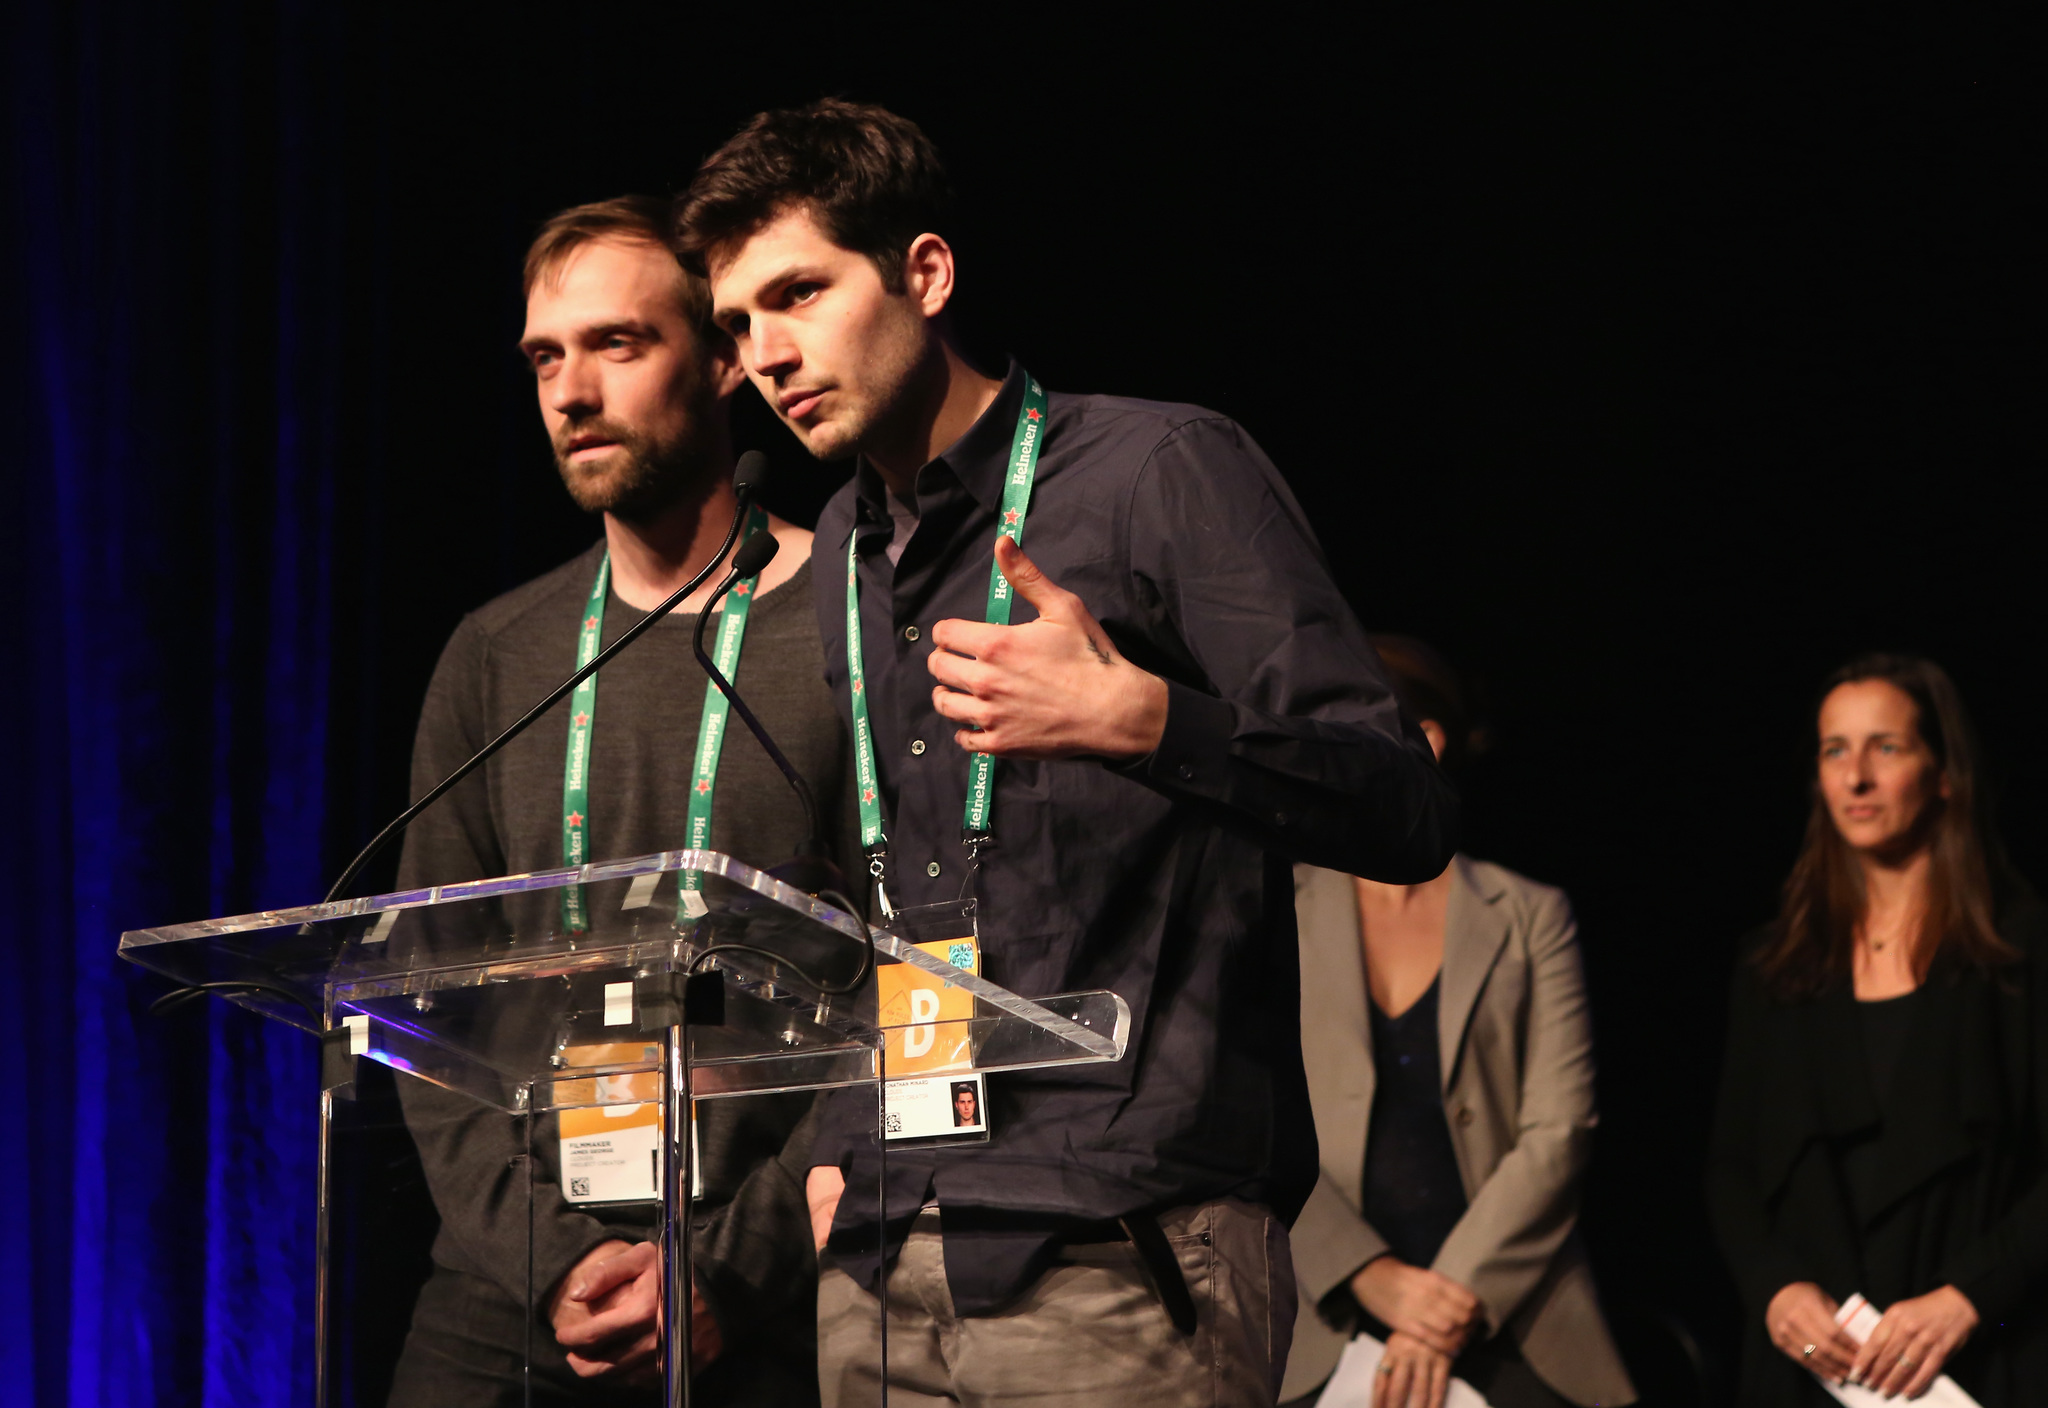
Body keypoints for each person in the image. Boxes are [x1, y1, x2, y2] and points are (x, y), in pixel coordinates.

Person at [675, 100, 1460, 1408]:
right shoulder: (836, 558)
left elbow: (1404, 807)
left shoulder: (1163, 471)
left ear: (924, 274)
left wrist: (1151, 722)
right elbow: (896, 888)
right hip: (886, 1249)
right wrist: (836, 1134)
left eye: (800, 294)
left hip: (1119, 1238)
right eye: (740, 324)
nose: (768, 352)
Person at [387, 196, 850, 1407]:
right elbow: (420, 1000)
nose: (569, 391)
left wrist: (728, 1272)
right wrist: (557, 1256)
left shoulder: (857, 628)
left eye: (617, 345)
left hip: (768, 1303)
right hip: (512, 1295)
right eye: (546, 355)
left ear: (725, 360)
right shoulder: (498, 651)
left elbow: (907, 1001)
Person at [1282, 638, 1634, 1408]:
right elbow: (1261, 1121)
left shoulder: (1529, 914)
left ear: (1425, 743)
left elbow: (1561, 1127)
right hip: (1328, 1311)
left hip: (1510, 1311)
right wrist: (1372, 1278)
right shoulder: (1283, 912)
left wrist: (1444, 1299)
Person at [1707, 653, 2048, 1405]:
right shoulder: (1774, 965)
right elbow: (1730, 1167)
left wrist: (1969, 1298)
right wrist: (1774, 1287)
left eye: (1885, 748)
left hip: (1979, 1361)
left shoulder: (2021, 951)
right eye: (1836, 751)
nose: (1855, 777)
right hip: (1813, 1369)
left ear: (1945, 772)